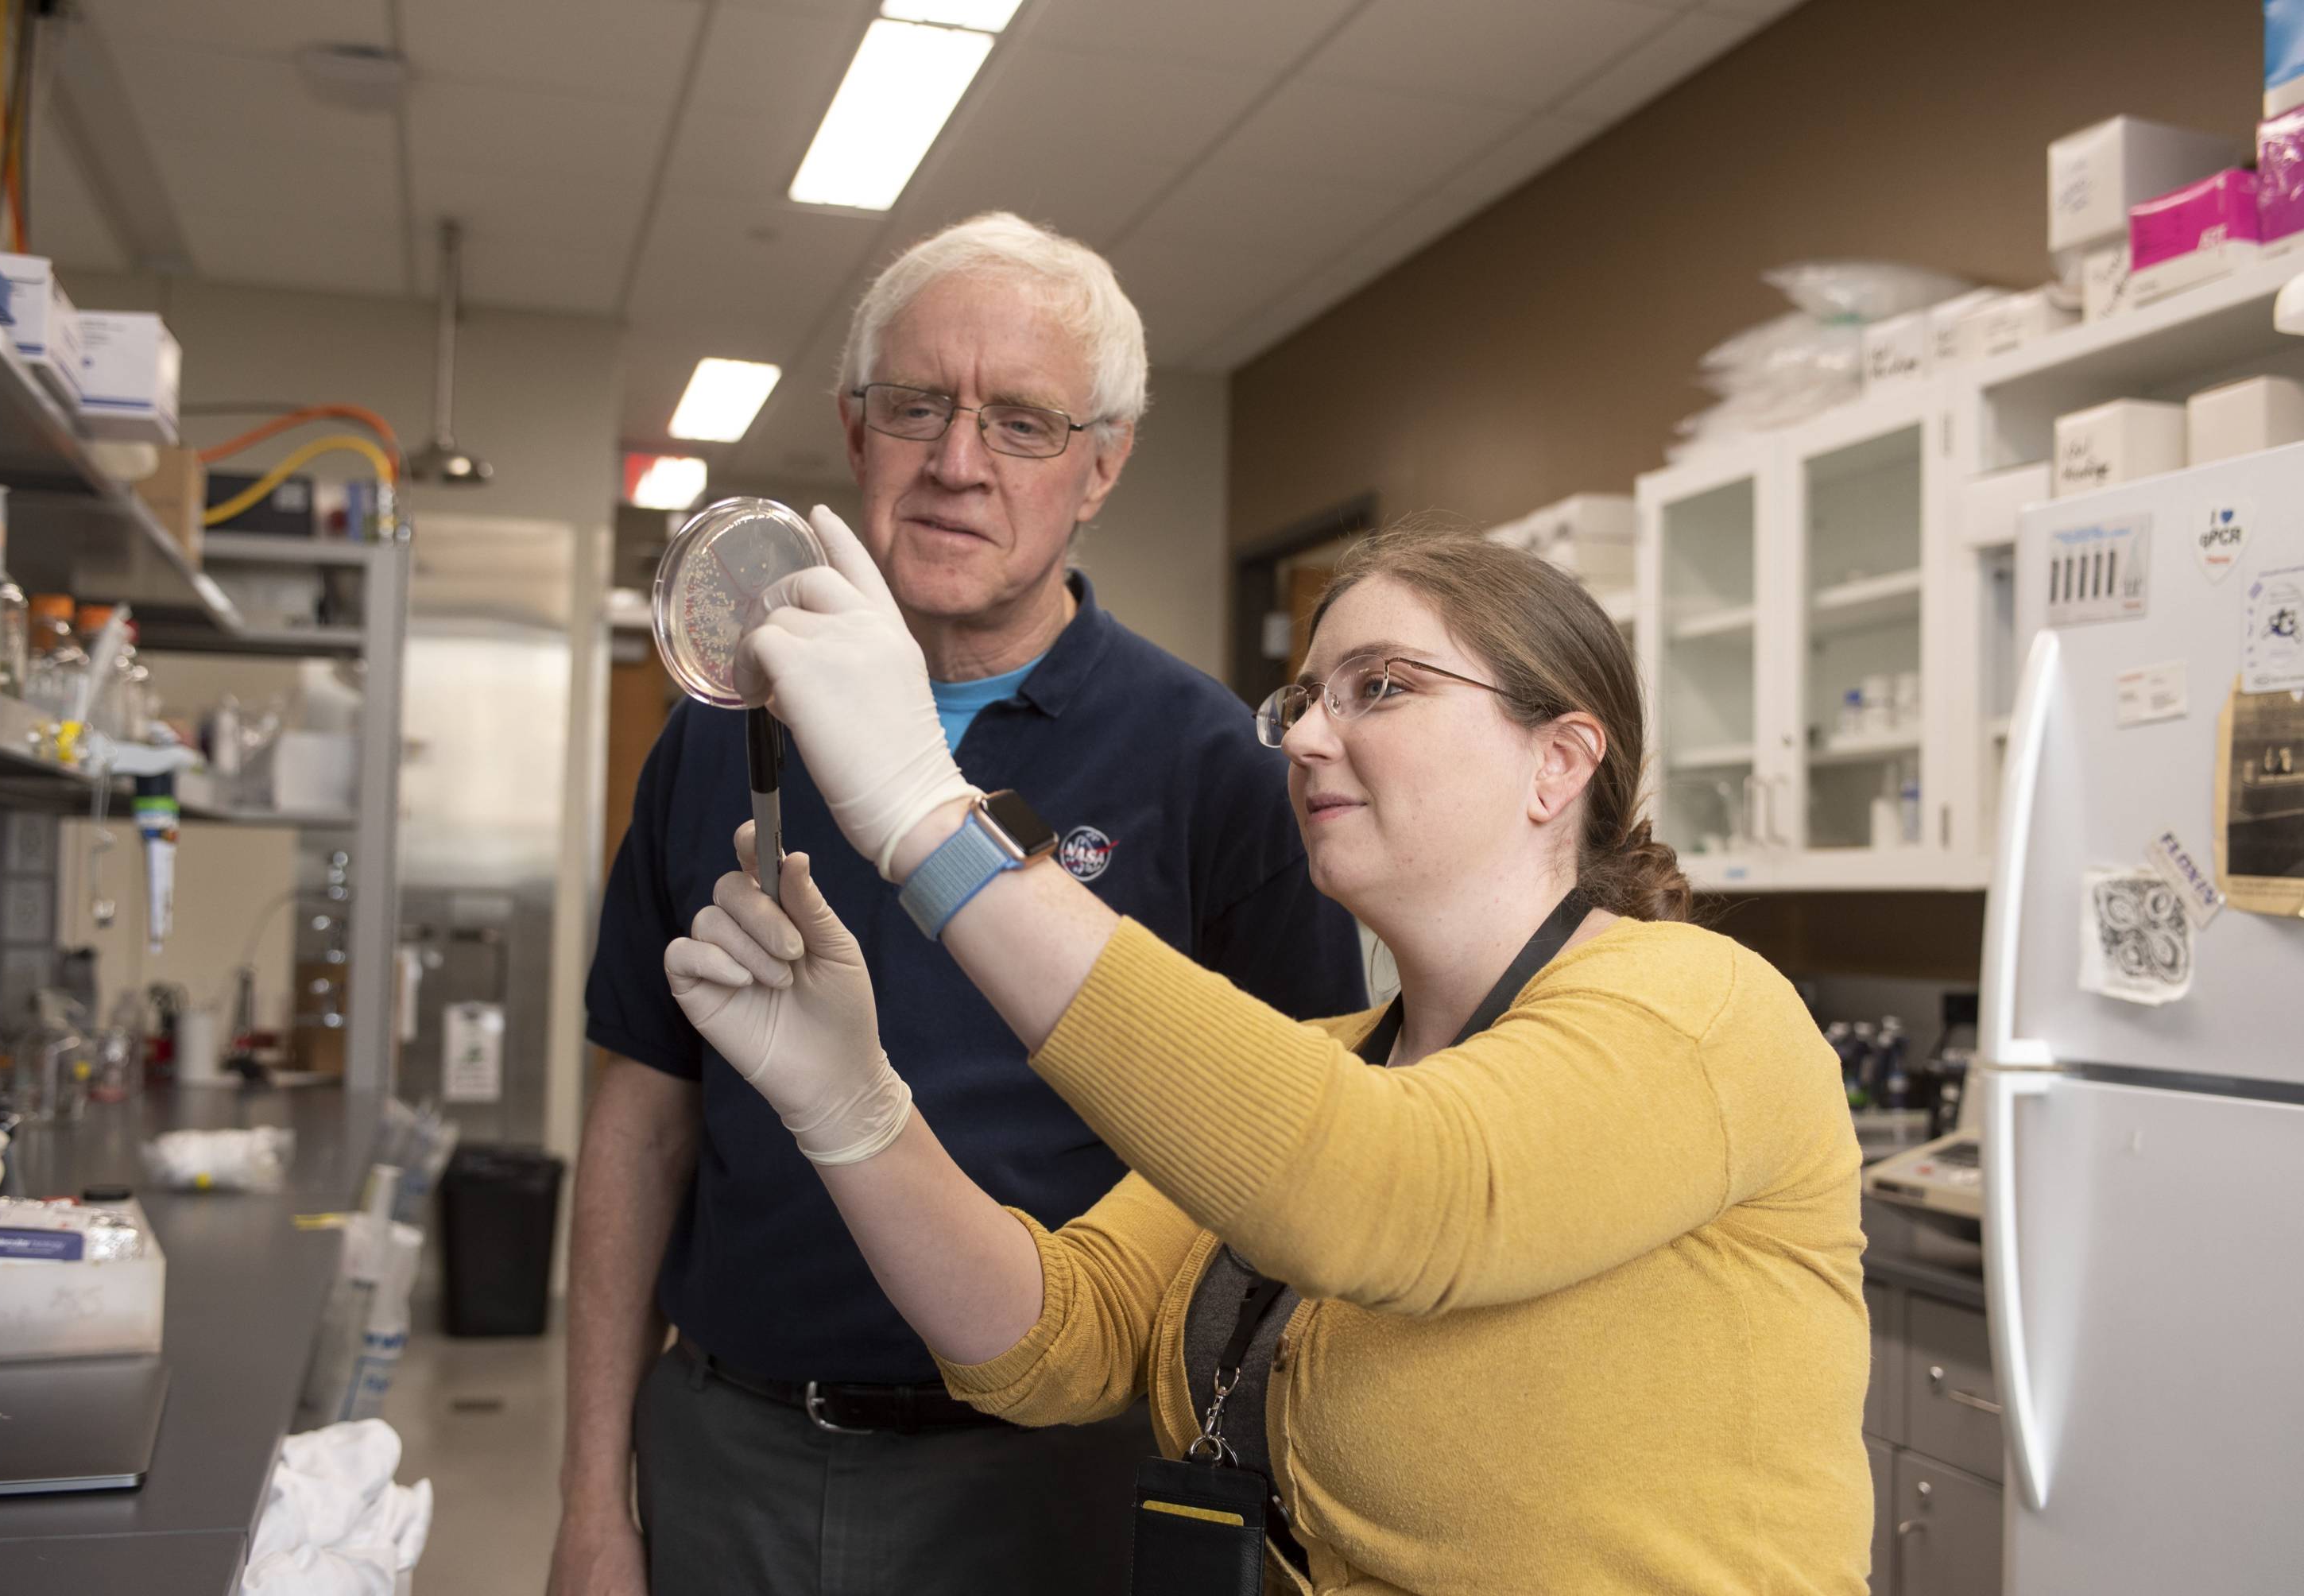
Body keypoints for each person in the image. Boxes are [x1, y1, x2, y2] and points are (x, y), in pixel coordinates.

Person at [666, 520, 1876, 1594]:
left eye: (1380, 689)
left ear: (1560, 761)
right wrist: (852, 1106)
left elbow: (1395, 1191)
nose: (1304, 740)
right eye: (1302, 701)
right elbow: (1053, 1339)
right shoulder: (1330, 1064)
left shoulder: (1702, 1013)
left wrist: (926, 810)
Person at [552, 212, 1366, 1596]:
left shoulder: (1209, 761)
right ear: (855, 432)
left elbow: (1306, 1158)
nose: (957, 463)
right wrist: (589, 1503)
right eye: (918, 405)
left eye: (1026, 423)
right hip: (734, 1452)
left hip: (1054, 1470)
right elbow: (642, 1120)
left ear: (1102, 465)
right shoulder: (721, 729)